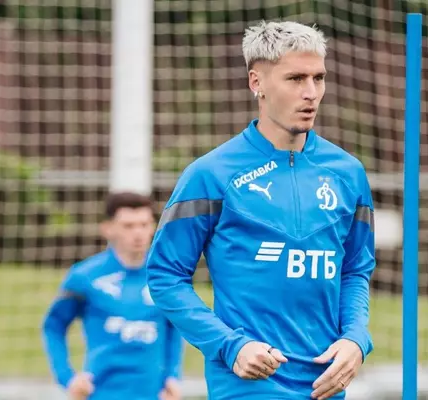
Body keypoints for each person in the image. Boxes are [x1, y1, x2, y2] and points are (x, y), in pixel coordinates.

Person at [146, 20, 376, 400]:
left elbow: (355, 270)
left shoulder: (348, 173)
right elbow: (165, 275)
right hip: (249, 386)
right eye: (295, 79)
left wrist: (355, 338)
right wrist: (230, 346)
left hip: (325, 386)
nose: (311, 92)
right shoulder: (211, 174)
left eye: (318, 78)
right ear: (257, 83)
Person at [42, 192, 184, 400]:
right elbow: (53, 326)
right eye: (128, 226)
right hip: (101, 394)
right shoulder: (85, 276)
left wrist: (172, 376)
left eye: (144, 224)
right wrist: (67, 378)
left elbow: (175, 327)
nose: (138, 233)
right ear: (108, 229)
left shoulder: (166, 277)